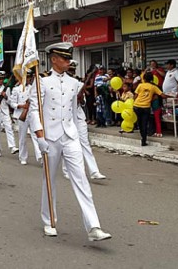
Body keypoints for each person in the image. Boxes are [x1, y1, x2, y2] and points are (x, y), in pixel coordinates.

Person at [28, 42, 111, 241]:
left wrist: (77, 132)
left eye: (68, 58)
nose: (68, 62)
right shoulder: (41, 82)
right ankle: (49, 221)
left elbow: (74, 112)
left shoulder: (74, 83)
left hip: (69, 135)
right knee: (49, 180)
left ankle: (93, 227)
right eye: (64, 58)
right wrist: (40, 137)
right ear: (54, 59)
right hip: (50, 137)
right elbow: (34, 110)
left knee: (81, 179)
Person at [133, 72, 170, 146]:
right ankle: (143, 140)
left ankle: (142, 136)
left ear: (144, 78)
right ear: (152, 79)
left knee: (140, 123)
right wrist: (172, 96)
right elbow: (163, 96)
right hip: (146, 107)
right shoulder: (153, 87)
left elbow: (135, 96)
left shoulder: (140, 85)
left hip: (136, 106)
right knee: (145, 123)